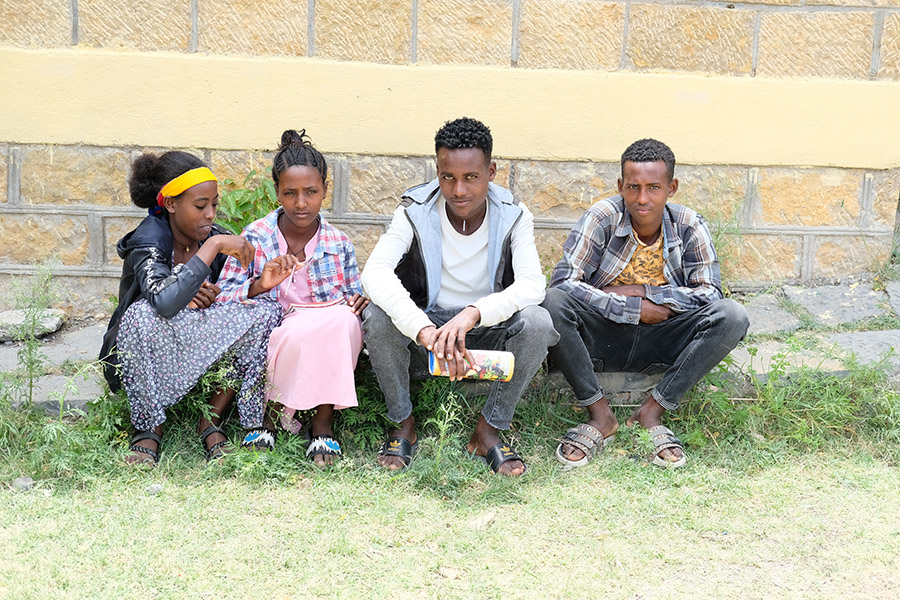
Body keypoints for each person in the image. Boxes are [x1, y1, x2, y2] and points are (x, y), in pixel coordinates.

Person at [361, 117, 559, 476]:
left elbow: (532, 284)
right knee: (377, 316)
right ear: (437, 171)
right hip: (430, 333)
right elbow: (374, 274)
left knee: (538, 321)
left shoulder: (515, 214)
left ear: (492, 172)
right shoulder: (413, 211)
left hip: (485, 328)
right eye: (447, 177)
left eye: (471, 177)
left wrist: (473, 314)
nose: (458, 190)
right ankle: (403, 422)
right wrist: (423, 329)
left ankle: (489, 430)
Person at [543, 138, 749, 469]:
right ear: (620, 186)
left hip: (664, 337)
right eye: (634, 187)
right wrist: (633, 307)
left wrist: (644, 292)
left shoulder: (689, 224)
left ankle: (651, 413)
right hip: (604, 335)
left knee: (733, 316)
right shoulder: (602, 217)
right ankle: (600, 415)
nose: (642, 198)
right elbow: (563, 283)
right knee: (552, 303)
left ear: (672, 187)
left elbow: (711, 293)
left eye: (654, 187)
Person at [99, 151, 282, 466]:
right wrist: (209, 251)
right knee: (142, 315)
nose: (210, 214)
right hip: (149, 352)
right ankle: (148, 428)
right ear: (170, 204)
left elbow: (231, 297)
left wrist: (258, 287)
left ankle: (210, 420)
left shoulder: (212, 235)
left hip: (200, 346)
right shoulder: (149, 240)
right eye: (200, 206)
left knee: (264, 309)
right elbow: (164, 302)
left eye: (214, 204)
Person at [217, 129, 368, 467]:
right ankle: (268, 416)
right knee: (288, 330)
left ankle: (322, 422)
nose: (301, 203)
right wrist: (260, 284)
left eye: (311, 192)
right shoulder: (254, 237)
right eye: (291, 193)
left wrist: (358, 302)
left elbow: (352, 295)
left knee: (344, 320)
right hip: (277, 326)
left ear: (324, 191)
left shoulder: (338, 242)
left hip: (325, 324)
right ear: (277, 193)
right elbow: (224, 298)